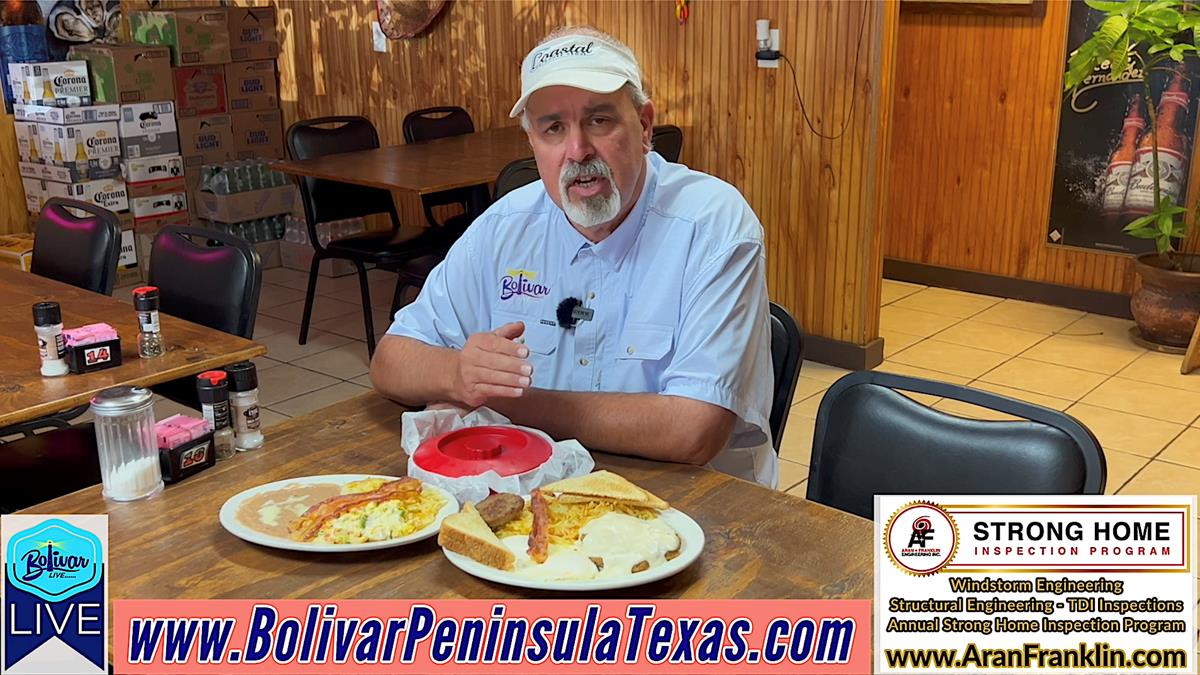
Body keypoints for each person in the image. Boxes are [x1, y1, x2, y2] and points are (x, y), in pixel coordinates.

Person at [370, 26, 777, 487]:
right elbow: (390, 359)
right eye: (553, 128)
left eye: (599, 120)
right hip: (544, 501)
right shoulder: (506, 226)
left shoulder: (713, 225)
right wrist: (458, 373)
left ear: (644, 127)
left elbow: (693, 431)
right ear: (532, 144)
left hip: (701, 510)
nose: (577, 150)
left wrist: (502, 400)